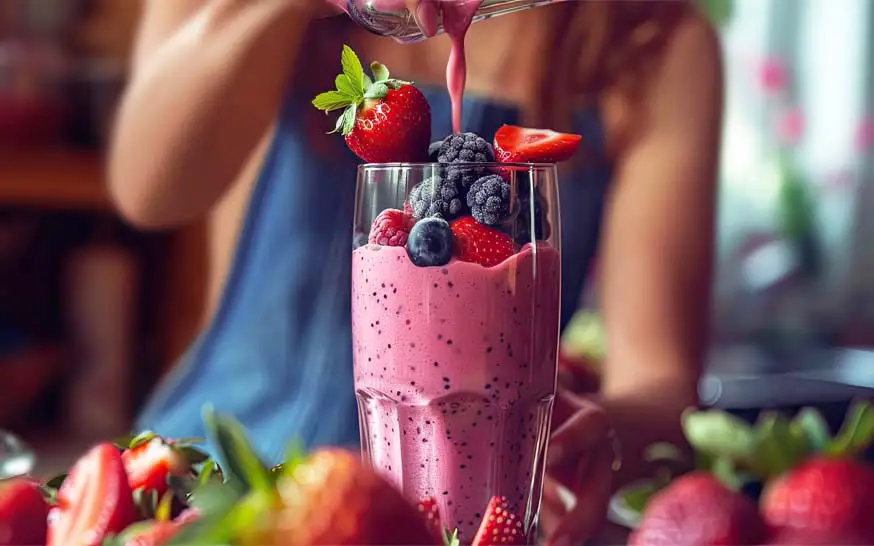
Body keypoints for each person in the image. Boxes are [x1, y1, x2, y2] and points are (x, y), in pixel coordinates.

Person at [109, 1, 723, 544]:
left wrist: (598, 442)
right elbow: (147, 190)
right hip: (214, 488)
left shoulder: (652, 43)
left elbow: (660, 377)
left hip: (467, 519)